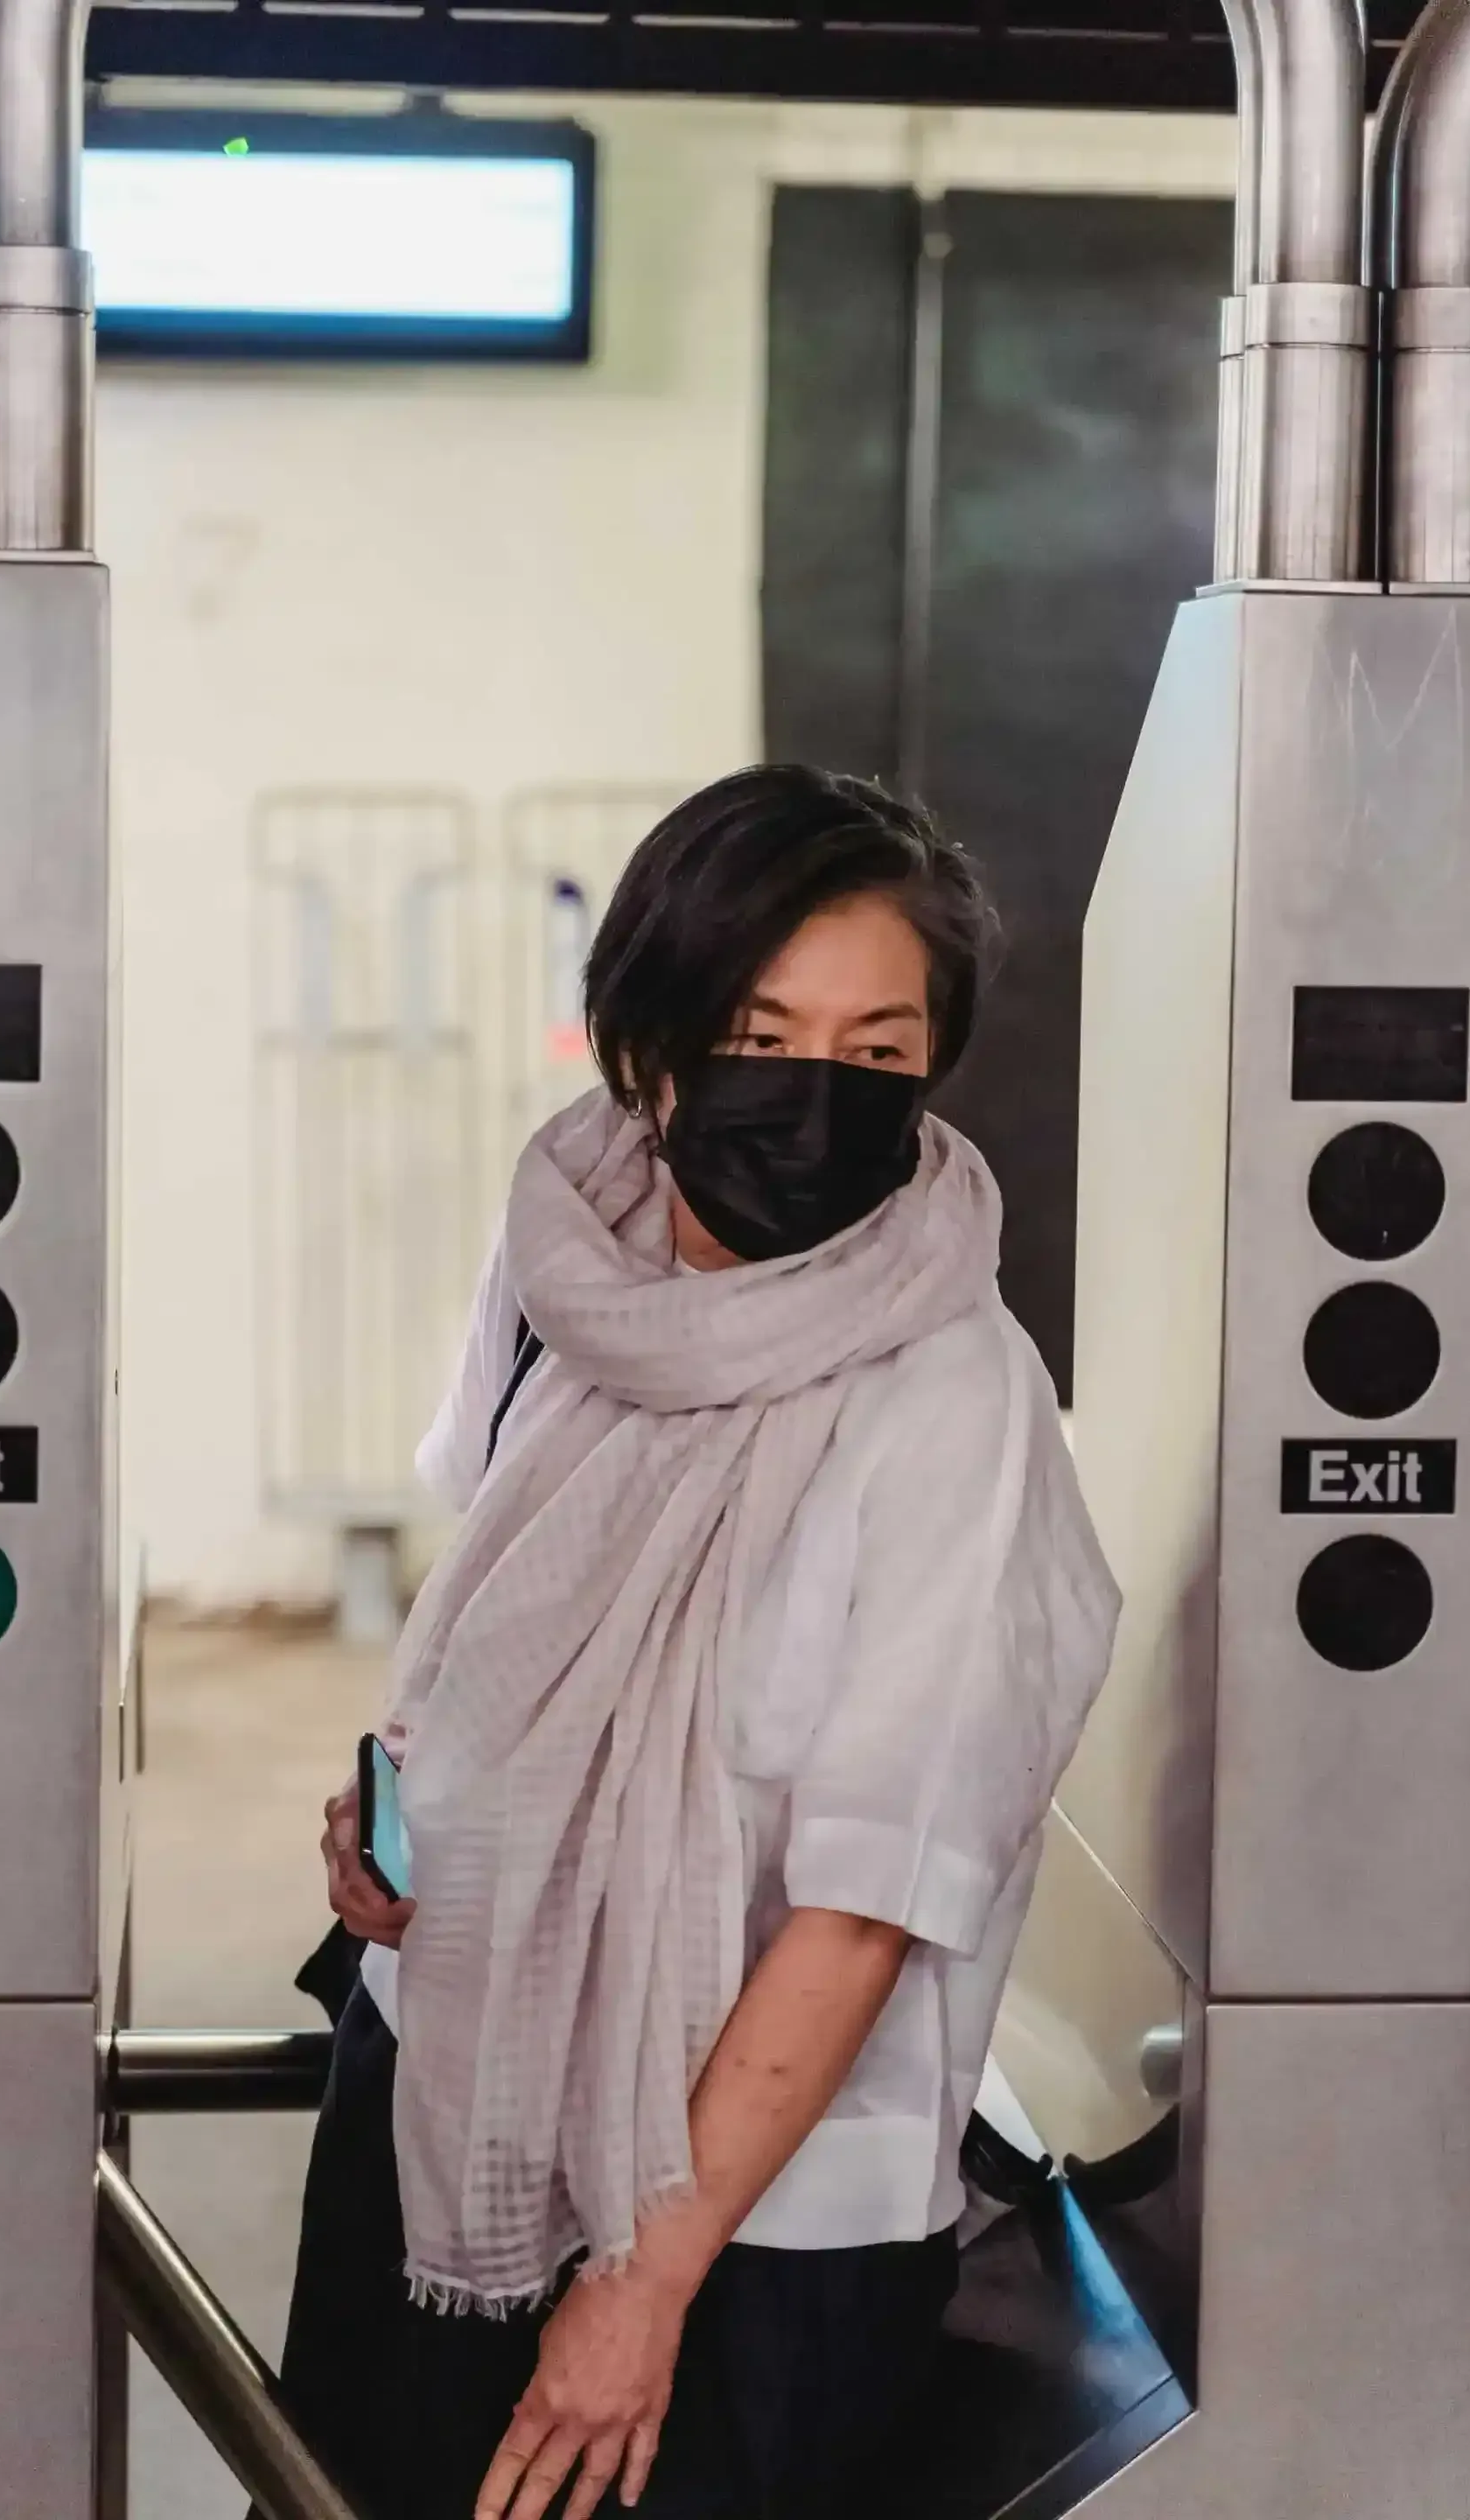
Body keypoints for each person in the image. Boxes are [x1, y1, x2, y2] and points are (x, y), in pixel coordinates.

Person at [273, 764, 1120, 2520]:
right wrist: (395, 1833)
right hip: (447, 2100)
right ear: (650, 1041)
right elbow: (491, 1646)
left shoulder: (954, 1404)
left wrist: (640, 2285)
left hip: (743, 2232)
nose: (819, 1095)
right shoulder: (563, 1268)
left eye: (880, 1053)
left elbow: (872, 1897)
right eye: (761, 1029)